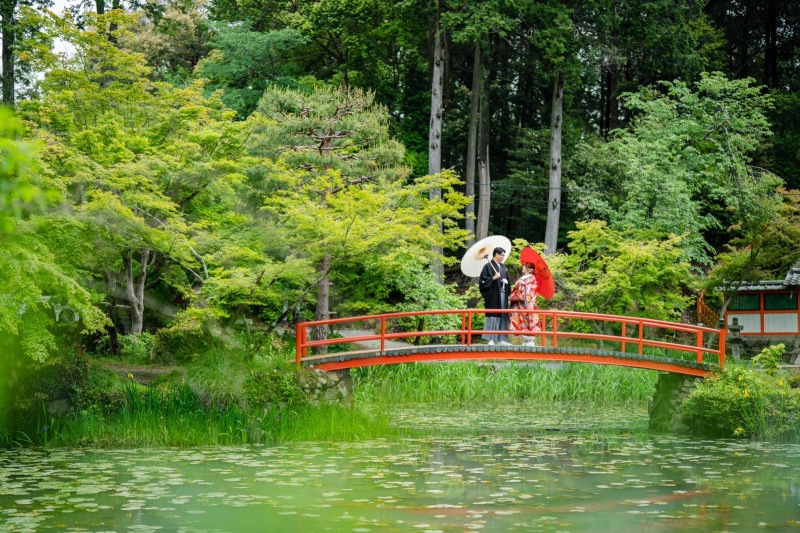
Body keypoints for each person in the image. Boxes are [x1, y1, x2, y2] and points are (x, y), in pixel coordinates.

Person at [479, 247, 511, 345]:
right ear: (496, 254)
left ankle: (502, 339)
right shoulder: (487, 267)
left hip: (503, 294)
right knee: (493, 315)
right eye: (502, 254)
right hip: (493, 295)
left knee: (503, 315)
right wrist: (493, 278)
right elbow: (482, 282)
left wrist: (509, 294)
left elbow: (508, 282)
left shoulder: (503, 267)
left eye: (503, 255)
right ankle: (491, 339)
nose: (503, 257)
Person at [509, 262, 541, 346]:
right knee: (520, 319)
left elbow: (533, 289)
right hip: (519, 303)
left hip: (528, 304)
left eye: (525, 267)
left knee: (528, 321)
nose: (523, 267)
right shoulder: (521, 277)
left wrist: (525, 285)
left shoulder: (532, 278)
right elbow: (516, 289)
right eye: (523, 266)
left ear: (530, 270)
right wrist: (518, 285)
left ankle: (530, 341)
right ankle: (525, 339)